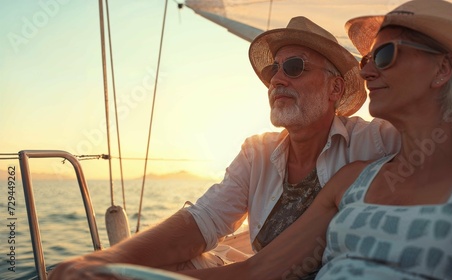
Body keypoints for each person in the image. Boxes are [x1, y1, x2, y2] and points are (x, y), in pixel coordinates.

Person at [48, 16, 401, 279]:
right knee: (159, 263)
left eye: (294, 67)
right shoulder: (257, 153)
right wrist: (105, 259)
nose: (277, 78)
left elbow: (440, 126)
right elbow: (202, 222)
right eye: (273, 70)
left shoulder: (375, 142)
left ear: (335, 89)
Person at [179, 1, 452, 279]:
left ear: (442, 68)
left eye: (385, 55)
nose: (366, 72)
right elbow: (256, 272)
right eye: (365, 60)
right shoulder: (353, 179)